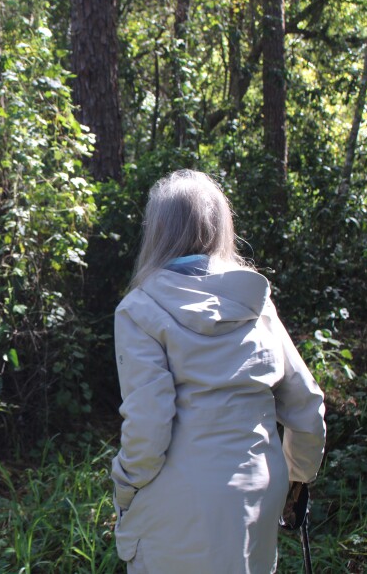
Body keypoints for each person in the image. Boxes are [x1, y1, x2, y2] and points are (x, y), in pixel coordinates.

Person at [111, 169, 326, 573]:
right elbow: (307, 404)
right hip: (258, 492)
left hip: (176, 502)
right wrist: (297, 479)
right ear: (220, 228)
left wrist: (125, 486)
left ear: (156, 232)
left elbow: (149, 424)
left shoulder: (139, 309)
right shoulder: (256, 304)